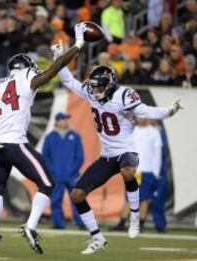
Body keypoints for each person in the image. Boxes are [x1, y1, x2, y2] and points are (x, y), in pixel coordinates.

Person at [51, 42, 182, 254]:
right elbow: (68, 80)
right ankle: (97, 238)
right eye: (93, 85)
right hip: (107, 156)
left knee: (128, 171)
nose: (94, 90)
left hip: (126, 151)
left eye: (99, 86)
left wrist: (168, 112)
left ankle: (135, 215)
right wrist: (59, 57)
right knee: (77, 195)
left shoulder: (124, 95)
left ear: (110, 84)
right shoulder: (91, 91)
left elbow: (146, 111)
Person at [0, 23, 87, 254]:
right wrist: (76, 46)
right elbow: (53, 70)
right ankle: (30, 226)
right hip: (15, 143)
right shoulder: (27, 77)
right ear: (27, 67)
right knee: (47, 183)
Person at [42, 112, 84, 229]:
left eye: (66, 119)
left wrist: (73, 170)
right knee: (55, 200)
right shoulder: (50, 137)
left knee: (77, 199)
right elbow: (45, 156)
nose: (66, 121)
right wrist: (51, 171)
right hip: (56, 175)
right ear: (57, 122)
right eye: (63, 119)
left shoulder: (75, 136)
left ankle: (81, 223)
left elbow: (80, 156)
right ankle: (58, 223)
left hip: (72, 175)